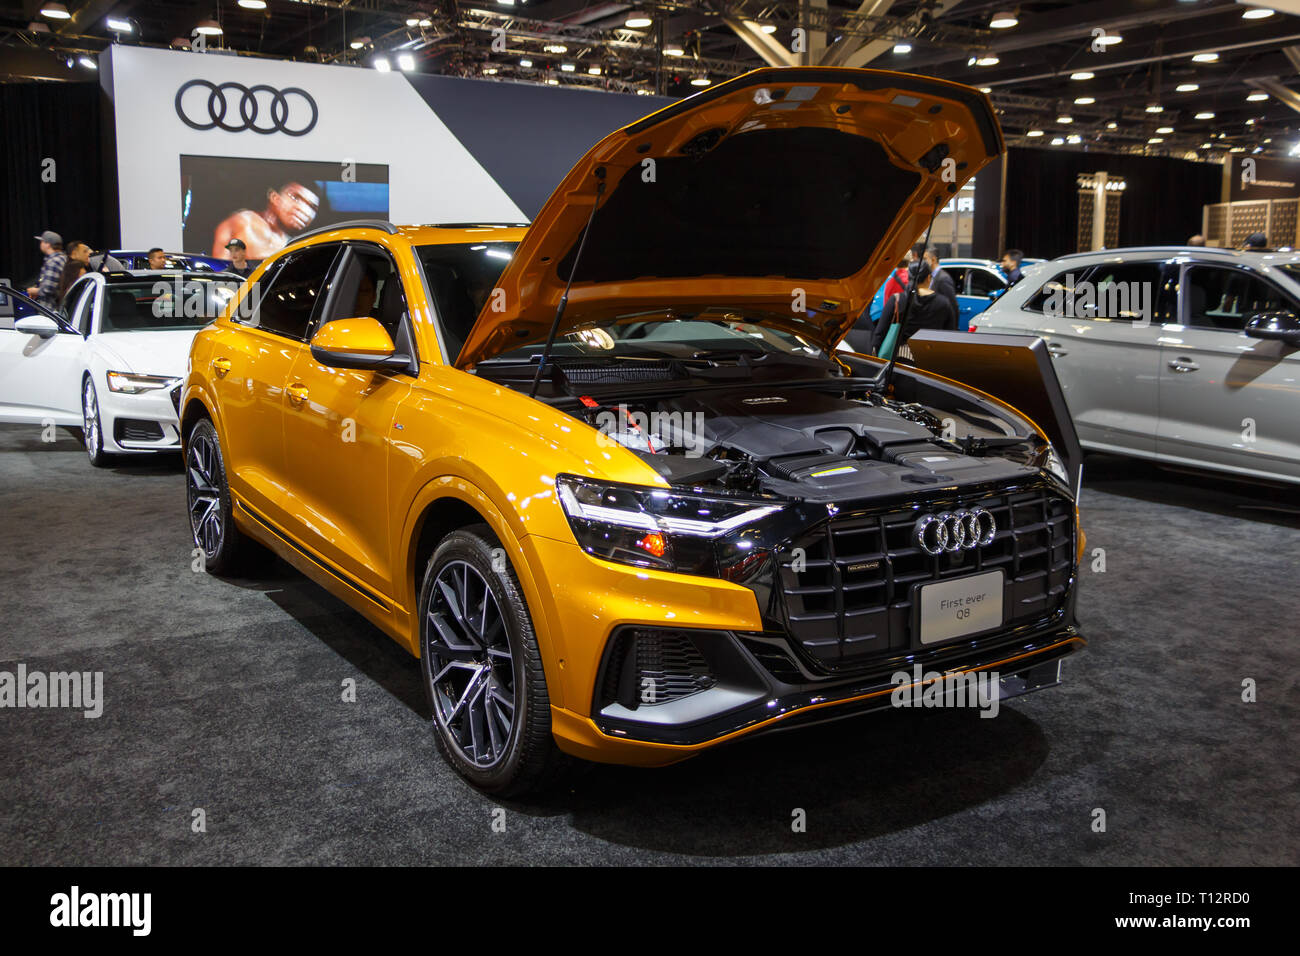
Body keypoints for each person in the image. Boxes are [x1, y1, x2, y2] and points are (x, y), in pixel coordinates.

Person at [211, 181, 320, 260]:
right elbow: (221, 277)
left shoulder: (296, 245)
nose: (304, 210)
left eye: (312, 207)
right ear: (275, 198)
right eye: (295, 198)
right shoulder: (244, 222)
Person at [871, 260, 957, 359]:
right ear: (929, 278)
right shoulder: (943, 303)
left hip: (900, 360)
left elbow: (879, 333)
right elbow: (950, 334)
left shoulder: (897, 300)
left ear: (909, 277)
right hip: (931, 360)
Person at [26, 231, 67, 310]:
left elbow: (48, 289)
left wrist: (34, 291)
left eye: (42, 242)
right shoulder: (62, 258)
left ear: (47, 244)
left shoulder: (54, 261)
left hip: (51, 309)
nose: (40, 244)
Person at [923, 246, 959, 321]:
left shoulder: (943, 279)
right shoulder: (931, 277)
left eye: (925, 259)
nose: (923, 262)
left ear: (933, 260)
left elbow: (952, 306)